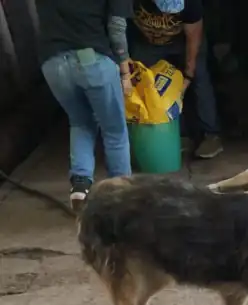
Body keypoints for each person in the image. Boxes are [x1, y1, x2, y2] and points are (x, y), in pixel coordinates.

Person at [37, 0, 134, 211]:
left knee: (80, 122)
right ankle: (122, 196)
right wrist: (125, 71)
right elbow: (117, 27)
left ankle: (80, 186)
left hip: (53, 64)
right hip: (93, 60)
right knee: (114, 130)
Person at [127, 0, 223, 159]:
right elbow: (116, 22)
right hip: (146, 43)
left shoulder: (191, 3)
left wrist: (189, 74)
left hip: (184, 41)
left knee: (200, 81)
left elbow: (193, 36)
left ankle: (211, 135)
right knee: (147, 85)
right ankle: (176, 135)